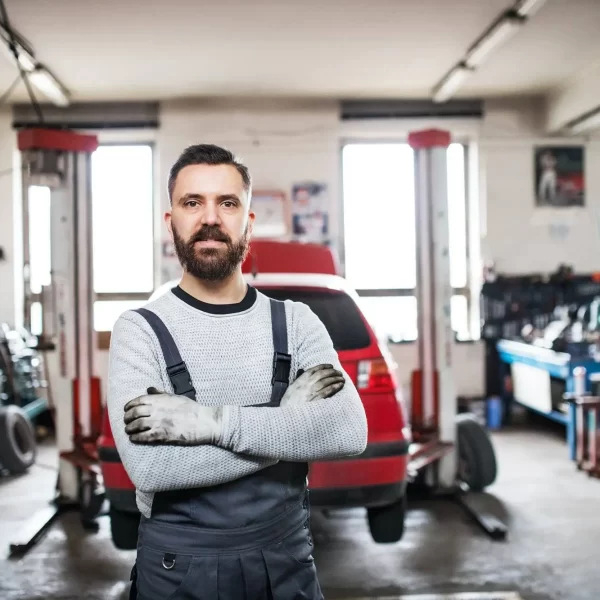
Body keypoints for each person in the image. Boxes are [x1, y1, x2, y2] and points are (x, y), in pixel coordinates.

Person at [106, 143, 368, 600]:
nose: (210, 218)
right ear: (172, 223)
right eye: (192, 203)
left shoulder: (297, 322)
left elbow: (347, 431)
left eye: (227, 203)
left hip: (286, 566)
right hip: (177, 574)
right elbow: (150, 467)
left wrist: (209, 423)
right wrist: (287, 427)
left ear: (248, 222)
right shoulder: (139, 331)